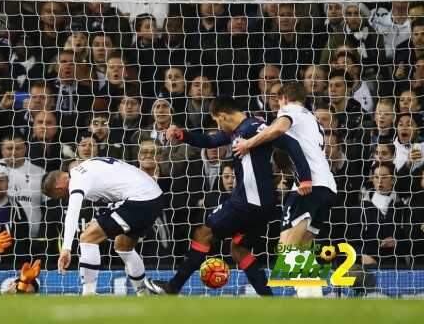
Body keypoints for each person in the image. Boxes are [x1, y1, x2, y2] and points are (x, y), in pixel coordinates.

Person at [144, 96, 311, 297]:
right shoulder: (238, 130)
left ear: (222, 115)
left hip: (247, 202)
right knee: (238, 249)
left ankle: (172, 287)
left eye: (217, 120)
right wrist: (182, 135)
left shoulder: (252, 127)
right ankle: (268, 298)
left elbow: (290, 143)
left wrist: (305, 178)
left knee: (203, 234)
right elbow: (209, 140)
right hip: (263, 205)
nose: (217, 124)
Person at [233, 82, 337, 297]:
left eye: (275, 99)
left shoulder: (290, 111)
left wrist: (247, 143)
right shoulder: (311, 118)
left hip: (310, 186)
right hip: (327, 187)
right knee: (303, 249)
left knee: (287, 249)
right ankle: (315, 307)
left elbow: (279, 128)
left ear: (283, 98)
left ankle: (310, 305)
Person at [41, 157, 166, 296]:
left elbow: (72, 212)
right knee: (123, 247)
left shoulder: (76, 181)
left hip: (139, 199)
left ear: (59, 188)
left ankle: (88, 294)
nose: (65, 198)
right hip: (154, 196)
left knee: (87, 238)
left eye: (60, 196)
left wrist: (66, 248)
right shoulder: (86, 166)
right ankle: (143, 293)